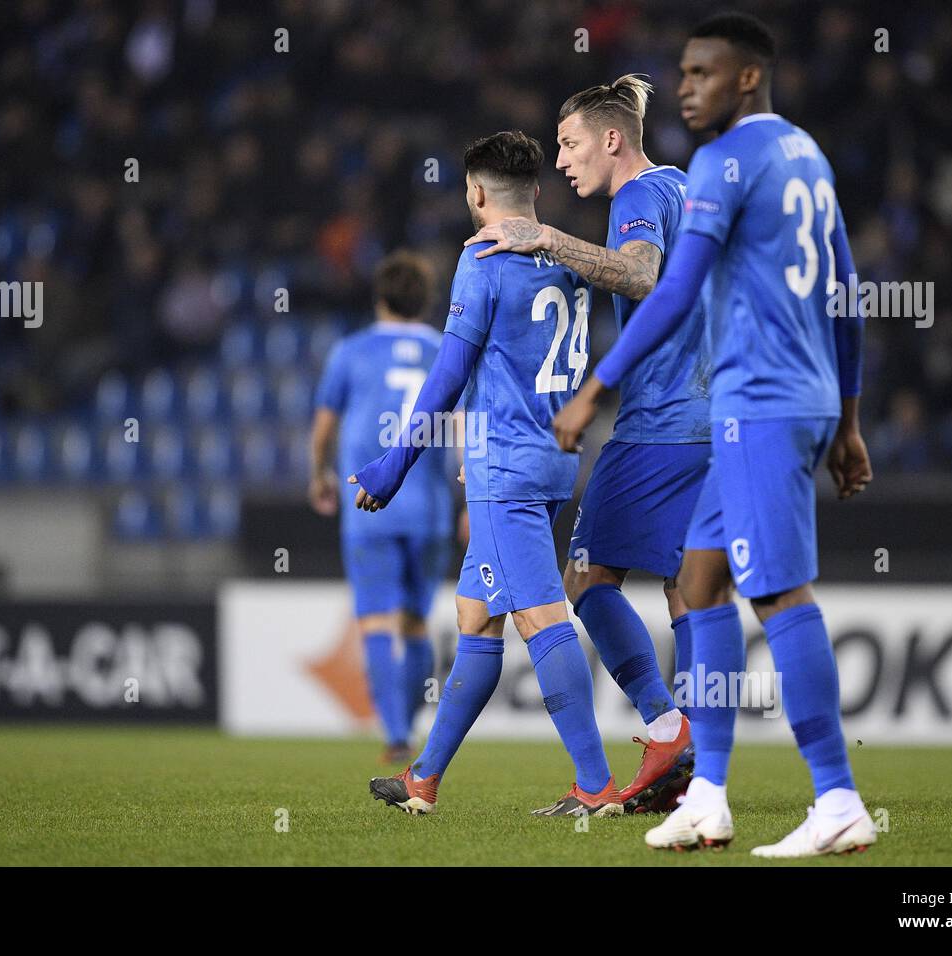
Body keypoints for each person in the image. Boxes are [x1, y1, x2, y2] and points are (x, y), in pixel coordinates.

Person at [553, 12, 876, 856]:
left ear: (746, 78)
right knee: (699, 585)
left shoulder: (723, 162)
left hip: (760, 400)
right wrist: (847, 419)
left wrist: (595, 391)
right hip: (773, 401)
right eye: (682, 74)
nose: (686, 88)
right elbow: (847, 290)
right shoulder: (807, 154)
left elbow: (662, 290)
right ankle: (706, 793)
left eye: (702, 74)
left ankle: (837, 798)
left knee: (776, 595)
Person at [355, 131, 622, 817]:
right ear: (534, 193)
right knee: (476, 617)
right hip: (555, 459)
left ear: (474, 194)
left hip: (505, 466)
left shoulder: (483, 259)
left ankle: (595, 786)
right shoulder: (564, 255)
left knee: (539, 617)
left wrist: (394, 463)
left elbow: (449, 376)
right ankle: (424, 780)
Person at [466, 74, 710, 813]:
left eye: (571, 144)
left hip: (660, 421)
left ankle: (669, 729)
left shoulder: (636, 198)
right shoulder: (685, 186)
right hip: (713, 415)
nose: (562, 163)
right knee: (684, 586)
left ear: (612, 139)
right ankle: (699, 759)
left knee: (587, 579)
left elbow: (641, 275)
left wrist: (545, 236)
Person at [310, 251, 454, 764]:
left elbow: (325, 424)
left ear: (379, 296)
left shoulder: (350, 352)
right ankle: (411, 726)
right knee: (417, 623)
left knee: (375, 622)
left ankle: (395, 734)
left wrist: (319, 475)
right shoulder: (446, 349)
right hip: (429, 509)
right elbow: (461, 429)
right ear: (428, 299)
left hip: (368, 502)